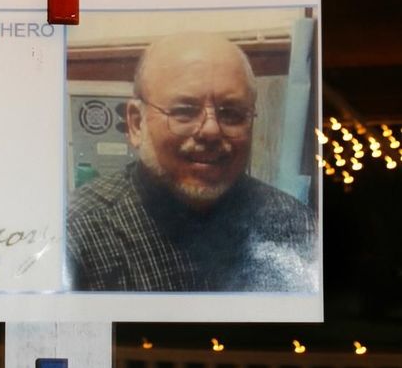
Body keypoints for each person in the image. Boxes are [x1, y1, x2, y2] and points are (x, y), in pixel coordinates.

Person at [66, 31, 318, 292]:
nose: (211, 130)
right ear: (136, 123)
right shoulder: (74, 234)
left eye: (231, 113)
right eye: (184, 111)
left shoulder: (296, 226)